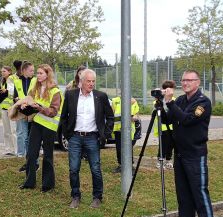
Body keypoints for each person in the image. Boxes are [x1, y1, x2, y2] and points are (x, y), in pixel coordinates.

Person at [163, 70, 215, 217]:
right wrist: (162, 104)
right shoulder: (181, 100)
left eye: (189, 80)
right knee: (183, 195)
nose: (185, 83)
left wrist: (170, 102)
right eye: (183, 80)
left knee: (200, 195)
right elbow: (168, 119)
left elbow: (186, 120)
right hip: (180, 153)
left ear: (198, 82)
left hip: (195, 154)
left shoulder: (203, 102)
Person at [60, 69, 114, 208]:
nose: (91, 84)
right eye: (88, 81)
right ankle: (75, 196)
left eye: (93, 81)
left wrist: (105, 134)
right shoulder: (71, 95)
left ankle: (97, 197)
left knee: (95, 168)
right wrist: (68, 135)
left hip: (92, 138)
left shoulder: (100, 96)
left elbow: (110, 117)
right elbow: (63, 117)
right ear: (81, 81)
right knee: (73, 168)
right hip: (75, 138)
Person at [18, 64, 63, 192]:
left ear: (47, 75)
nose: (38, 75)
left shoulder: (55, 91)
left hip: (49, 126)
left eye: (41, 73)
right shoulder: (35, 88)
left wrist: (40, 108)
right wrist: (24, 105)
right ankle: (29, 182)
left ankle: (47, 185)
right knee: (31, 154)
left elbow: (53, 111)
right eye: (37, 73)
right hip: (37, 124)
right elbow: (28, 101)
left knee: (48, 156)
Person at [13, 61, 36, 172]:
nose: (33, 72)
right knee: (25, 137)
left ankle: (34, 163)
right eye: (31, 70)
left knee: (33, 138)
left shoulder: (36, 81)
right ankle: (28, 162)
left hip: (34, 112)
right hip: (22, 112)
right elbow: (15, 96)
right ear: (24, 70)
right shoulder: (17, 82)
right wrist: (19, 102)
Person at [111, 95, 140, 173]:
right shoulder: (115, 101)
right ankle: (120, 165)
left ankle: (130, 166)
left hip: (129, 129)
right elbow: (111, 114)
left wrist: (135, 117)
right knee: (119, 147)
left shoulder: (133, 101)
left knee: (128, 147)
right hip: (118, 128)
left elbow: (137, 114)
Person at [153, 80, 176, 169]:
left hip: (172, 127)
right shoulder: (158, 101)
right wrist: (159, 97)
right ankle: (160, 160)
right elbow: (156, 108)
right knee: (163, 145)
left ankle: (168, 160)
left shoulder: (174, 100)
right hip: (162, 127)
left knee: (171, 144)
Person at [0, 66, 17, 156]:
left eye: (4, 71)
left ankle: (16, 150)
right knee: (6, 130)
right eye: (2, 71)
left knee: (13, 130)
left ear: (9, 72)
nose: (2, 73)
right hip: (4, 108)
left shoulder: (12, 79)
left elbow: (12, 92)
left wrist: (6, 91)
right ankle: (8, 149)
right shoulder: (3, 81)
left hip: (11, 108)